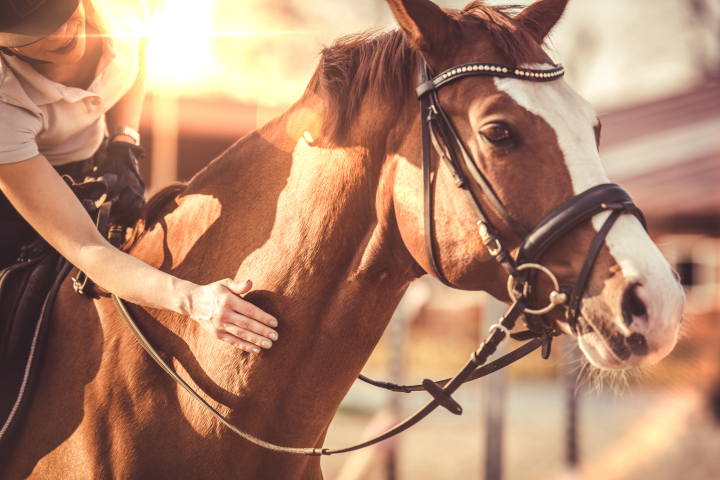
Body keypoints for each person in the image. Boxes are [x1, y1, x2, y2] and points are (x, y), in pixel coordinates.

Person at [0, 0, 279, 354]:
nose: (61, 33)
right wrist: (194, 300)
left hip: (94, 156)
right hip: (17, 187)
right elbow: (87, 248)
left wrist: (123, 142)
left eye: (61, 11)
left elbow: (140, 47)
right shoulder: (4, 103)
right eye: (34, 32)